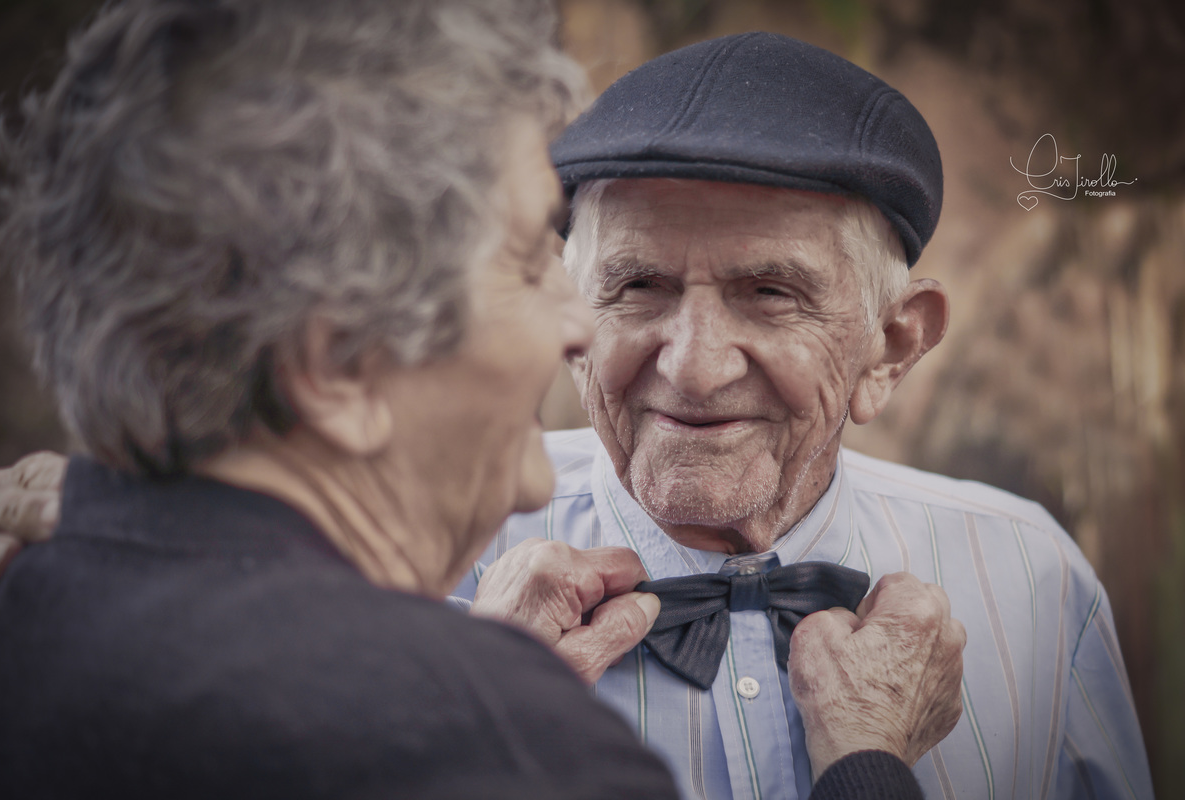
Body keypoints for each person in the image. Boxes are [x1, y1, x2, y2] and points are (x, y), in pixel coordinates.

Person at [0, 2, 964, 798]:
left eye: (771, 291)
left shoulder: (20, 607)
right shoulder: (513, 744)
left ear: (897, 340)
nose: (575, 327)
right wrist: (867, 766)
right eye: (528, 261)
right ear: (337, 366)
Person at [454, 32, 1153, 800]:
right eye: (639, 286)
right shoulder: (429, 567)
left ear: (891, 346)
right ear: (572, 327)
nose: (694, 364)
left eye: (770, 293)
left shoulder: (1035, 582)